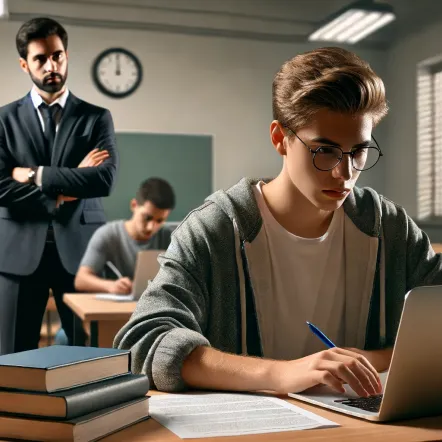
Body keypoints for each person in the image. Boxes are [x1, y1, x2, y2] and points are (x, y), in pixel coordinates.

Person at [114, 47, 442, 397]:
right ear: (279, 138)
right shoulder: (215, 230)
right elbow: (142, 343)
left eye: (358, 151)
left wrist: (369, 359)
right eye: (324, 150)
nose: (344, 174)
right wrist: (284, 374)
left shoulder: (389, 227)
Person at [0, 17, 118, 354]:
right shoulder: (3, 120)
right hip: (17, 253)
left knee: (89, 357)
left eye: (58, 55)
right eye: (41, 58)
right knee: (14, 357)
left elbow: (103, 179)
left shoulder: (96, 117)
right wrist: (65, 187)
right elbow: (0, 187)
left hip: (81, 254)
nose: (52, 65)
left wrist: (34, 174)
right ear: (25, 64)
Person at [75, 177, 175, 294]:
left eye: (160, 221)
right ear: (134, 205)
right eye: (147, 217)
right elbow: (81, 280)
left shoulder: (169, 237)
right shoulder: (108, 234)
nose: (151, 227)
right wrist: (110, 286)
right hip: (115, 308)